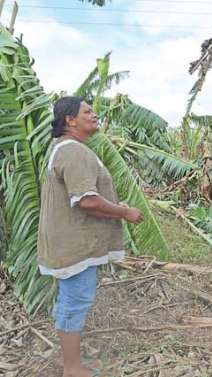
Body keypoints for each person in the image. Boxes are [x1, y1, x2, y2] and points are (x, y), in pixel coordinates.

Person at [37, 96, 144, 377]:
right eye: (88, 111)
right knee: (76, 301)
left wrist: (116, 208)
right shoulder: (73, 151)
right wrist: (124, 213)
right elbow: (86, 201)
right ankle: (72, 368)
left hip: (69, 243)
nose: (94, 114)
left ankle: (69, 361)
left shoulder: (64, 149)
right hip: (76, 245)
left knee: (70, 300)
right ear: (70, 120)